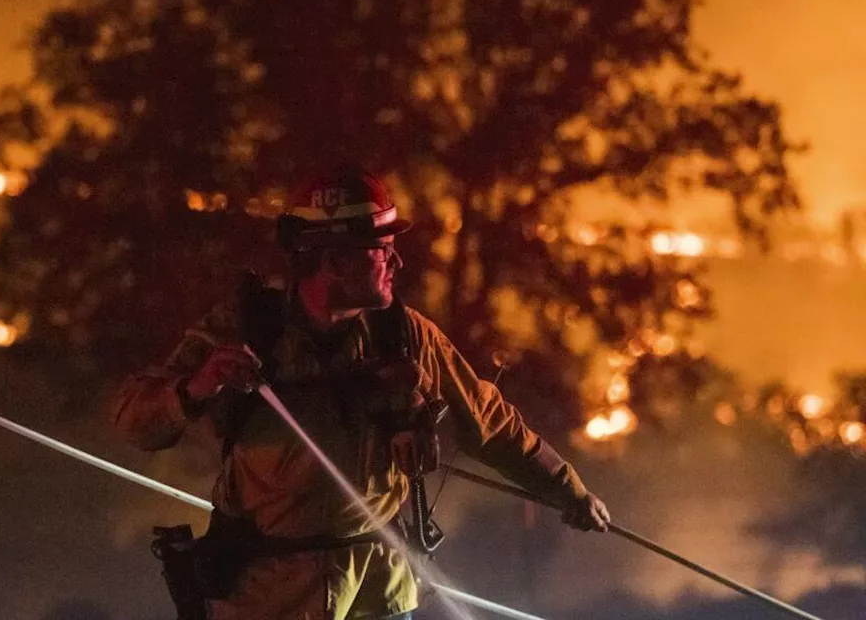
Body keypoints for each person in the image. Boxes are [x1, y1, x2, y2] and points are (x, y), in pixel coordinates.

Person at [113, 168, 611, 620]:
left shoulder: (407, 336)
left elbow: (491, 424)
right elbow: (135, 421)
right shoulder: (244, 329)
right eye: (381, 247)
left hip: (379, 593)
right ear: (333, 260)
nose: (396, 260)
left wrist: (567, 490)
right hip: (269, 596)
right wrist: (198, 386)